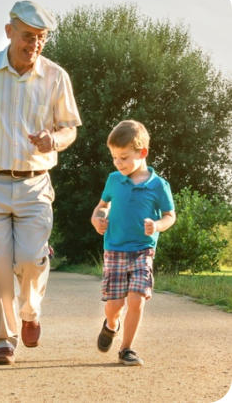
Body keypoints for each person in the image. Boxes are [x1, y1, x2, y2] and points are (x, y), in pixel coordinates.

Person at [0, 0, 82, 365]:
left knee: (30, 259)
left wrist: (54, 140)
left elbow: (69, 127)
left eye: (41, 38)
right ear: (9, 32)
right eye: (27, 36)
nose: (34, 45)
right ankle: (3, 340)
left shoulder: (56, 77)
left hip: (35, 183)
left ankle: (31, 311)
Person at [90, 120, 176, 366]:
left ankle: (126, 348)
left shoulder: (159, 185)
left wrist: (157, 225)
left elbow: (170, 216)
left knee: (137, 299)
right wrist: (98, 219)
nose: (119, 163)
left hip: (143, 250)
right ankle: (111, 324)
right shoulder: (114, 180)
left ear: (142, 153)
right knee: (114, 305)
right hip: (115, 249)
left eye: (124, 157)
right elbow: (101, 206)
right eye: (115, 158)